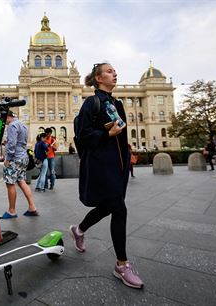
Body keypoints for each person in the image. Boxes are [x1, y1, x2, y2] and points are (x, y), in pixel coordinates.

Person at [69, 62, 143, 289]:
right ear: (98, 78)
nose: (115, 73)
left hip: (118, 165)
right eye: (110, 71)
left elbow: (120, 135)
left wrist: (127, 152)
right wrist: (106, 133)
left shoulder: (117, 103)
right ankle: (122, 265)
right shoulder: (92, 102)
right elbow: (82, 135)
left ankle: (78, 229)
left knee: (109, 207)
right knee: (119, 208)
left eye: (114, 71)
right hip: (101, 165)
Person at [0, 110, 39, 219]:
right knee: (21, 181)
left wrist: (8, 159)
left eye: (3, 119)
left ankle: (12, 211)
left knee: (10, 183)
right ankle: (32, 207)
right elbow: (20, 142)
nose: (4, 122)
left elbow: (12, 144)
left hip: (15, 158)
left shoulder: (12, 126)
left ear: (8, 117)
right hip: (23, 157)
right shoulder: (23, 125)